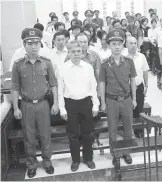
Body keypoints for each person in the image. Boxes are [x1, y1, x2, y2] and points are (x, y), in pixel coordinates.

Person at [11, 28, 58, 178]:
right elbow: (15, 87)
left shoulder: (47, 63)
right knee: (29, 136)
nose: (33, 46)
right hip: (26, 105)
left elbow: (53, 84)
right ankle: (31, 164)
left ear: (40, 44)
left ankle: (47, 162)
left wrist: (55, 103)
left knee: (45, 135)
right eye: (30, 43)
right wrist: (15, 107)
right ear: (24, 44)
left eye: (36, 43)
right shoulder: (18, 65)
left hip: (43, 104)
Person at [57, 40, 99, 172]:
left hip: (86, 102)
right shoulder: (62, 69)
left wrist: (95, 105)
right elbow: (60, 91)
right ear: (68, 53)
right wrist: (62, 108)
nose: (76, 54)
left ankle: (88, 158)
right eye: (73, 51)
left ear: (82, 52)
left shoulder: (88, 67)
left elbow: (93, 87)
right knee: (73, 134)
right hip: (70, 104)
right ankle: (75, 160)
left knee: (88, 133)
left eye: (78, 51)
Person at [99, 29, 137, 165]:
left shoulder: (129, 62)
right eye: (114, 44)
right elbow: (102, 83)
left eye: (119, 44)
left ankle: (127, 152)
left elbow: (132, 80)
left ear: (123, 45)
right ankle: (115, 153)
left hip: (126, 99)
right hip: (111, 100)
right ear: (109, 45)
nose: (117, 47)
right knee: (112, 129)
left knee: (128, 127)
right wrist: (102, 102)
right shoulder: (104, 64)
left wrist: (134, 99)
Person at [123, 37, 149, 138]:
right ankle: (128, 132)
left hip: (139, 87)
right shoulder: (123, 57)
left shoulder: (141, 56)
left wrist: (146, 85)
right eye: (131, 43)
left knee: (139, 110)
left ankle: (139, 131)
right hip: (126, 88)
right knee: (127, 112)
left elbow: (145, 71)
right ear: (126, 45)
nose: (133, 45)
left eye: (135, 43)